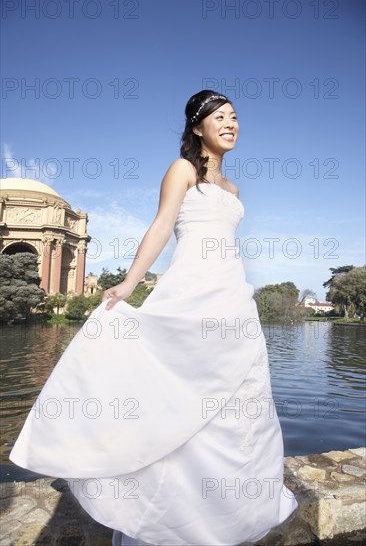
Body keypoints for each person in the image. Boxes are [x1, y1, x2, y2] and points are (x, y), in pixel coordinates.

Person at [9, 90, 298, 545]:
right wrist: (128, 283)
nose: (230, 124)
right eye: (218, 117)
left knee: (238, 400)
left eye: (235, 117)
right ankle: (163, 515)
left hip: (232, 297)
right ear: (197, 126)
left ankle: (222, 511)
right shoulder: (182, 170)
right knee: (177, 393)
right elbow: (162, 225)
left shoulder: (234, 189)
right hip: (192, 291)